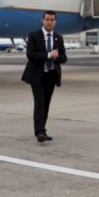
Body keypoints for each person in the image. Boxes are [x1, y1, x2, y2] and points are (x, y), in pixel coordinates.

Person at [22, 11, 67, 142]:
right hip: (37, 75)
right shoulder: (34, 35)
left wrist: (57, 57)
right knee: (39, 103)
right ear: (42, 20)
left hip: (51, 76)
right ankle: (39, 132)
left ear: (55, 22)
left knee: (46, 104)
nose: (49, 22)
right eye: (47, 19)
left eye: (52, 20)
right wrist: (48, 55)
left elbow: (64, 58)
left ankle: (43, 129)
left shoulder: (59, 38)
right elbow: (30, 55)